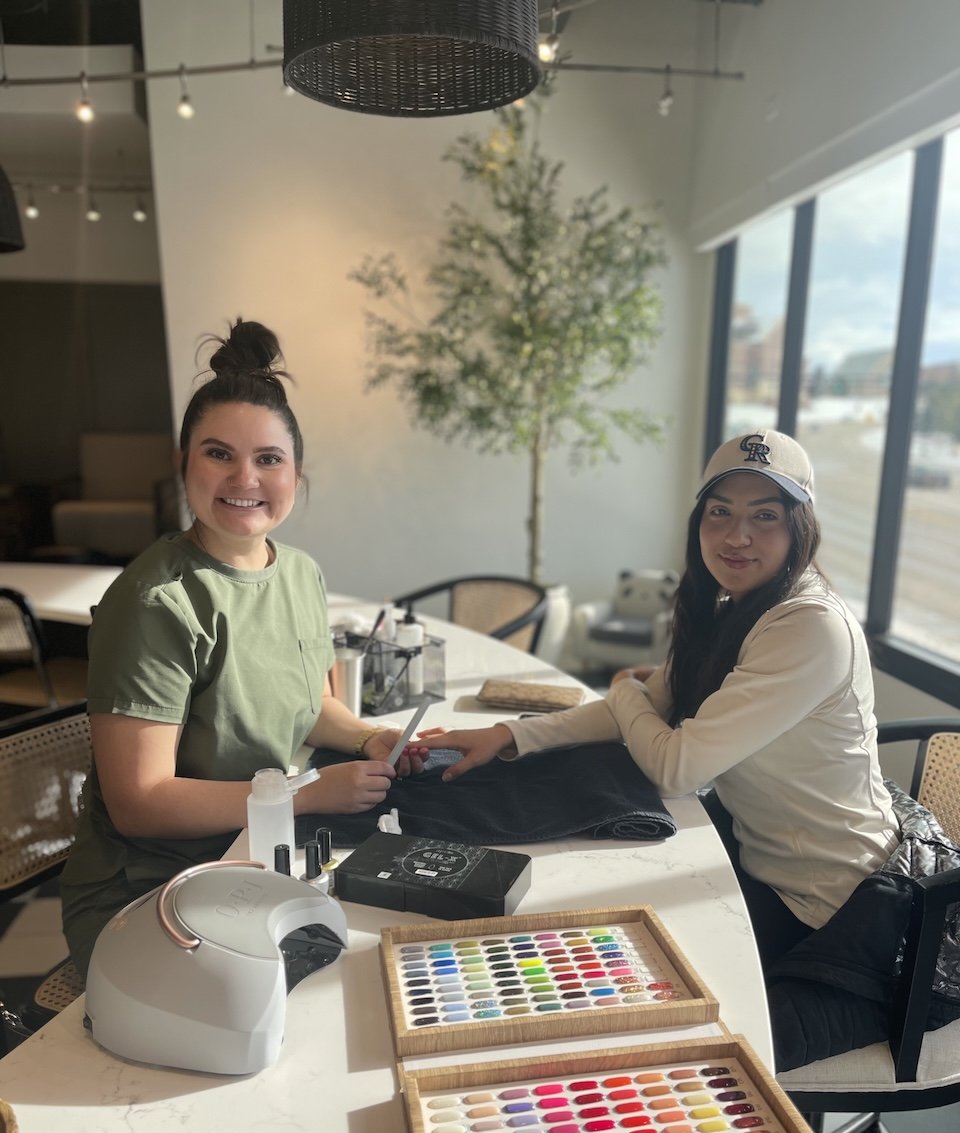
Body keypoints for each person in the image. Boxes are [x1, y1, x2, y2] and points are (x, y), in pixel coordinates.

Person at [421, 430, 900, 974]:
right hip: (757, 863)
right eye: (720, 512)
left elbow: (675, 765)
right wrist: (507, 737)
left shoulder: (809, 627)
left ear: (801, 527)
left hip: (830, 905)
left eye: (764, 516)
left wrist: (624, 688)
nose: (737, 536)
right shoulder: (729, 606)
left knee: (611, 966)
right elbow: (644, 708)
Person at [61, 319, 423, 978]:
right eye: (218, 453)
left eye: (268, 459)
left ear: (296, 473)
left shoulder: (301, 574)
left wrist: (371, 739)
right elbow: (139, 801)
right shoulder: (155, 602)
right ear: (183, 463)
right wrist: (307, 793)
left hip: (262, 854)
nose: (244, 478)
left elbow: (309, 708)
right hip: (153, 890)